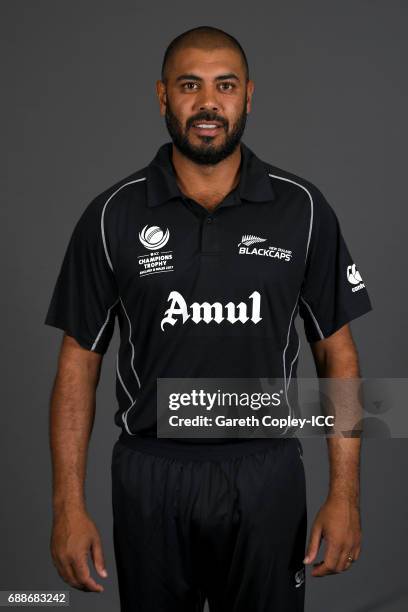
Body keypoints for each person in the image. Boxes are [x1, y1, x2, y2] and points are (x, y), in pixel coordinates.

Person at [44, 25, 373, 612]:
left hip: (265, 471)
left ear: (248, 95)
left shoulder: (302, 208)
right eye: (189, 85)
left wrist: (344, 495)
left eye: (224, 86)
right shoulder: (112, 215)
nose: (207, 103)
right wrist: (68, 506)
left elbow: (338, 355)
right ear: (162, 96)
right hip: (151, 474)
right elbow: (78, 364)